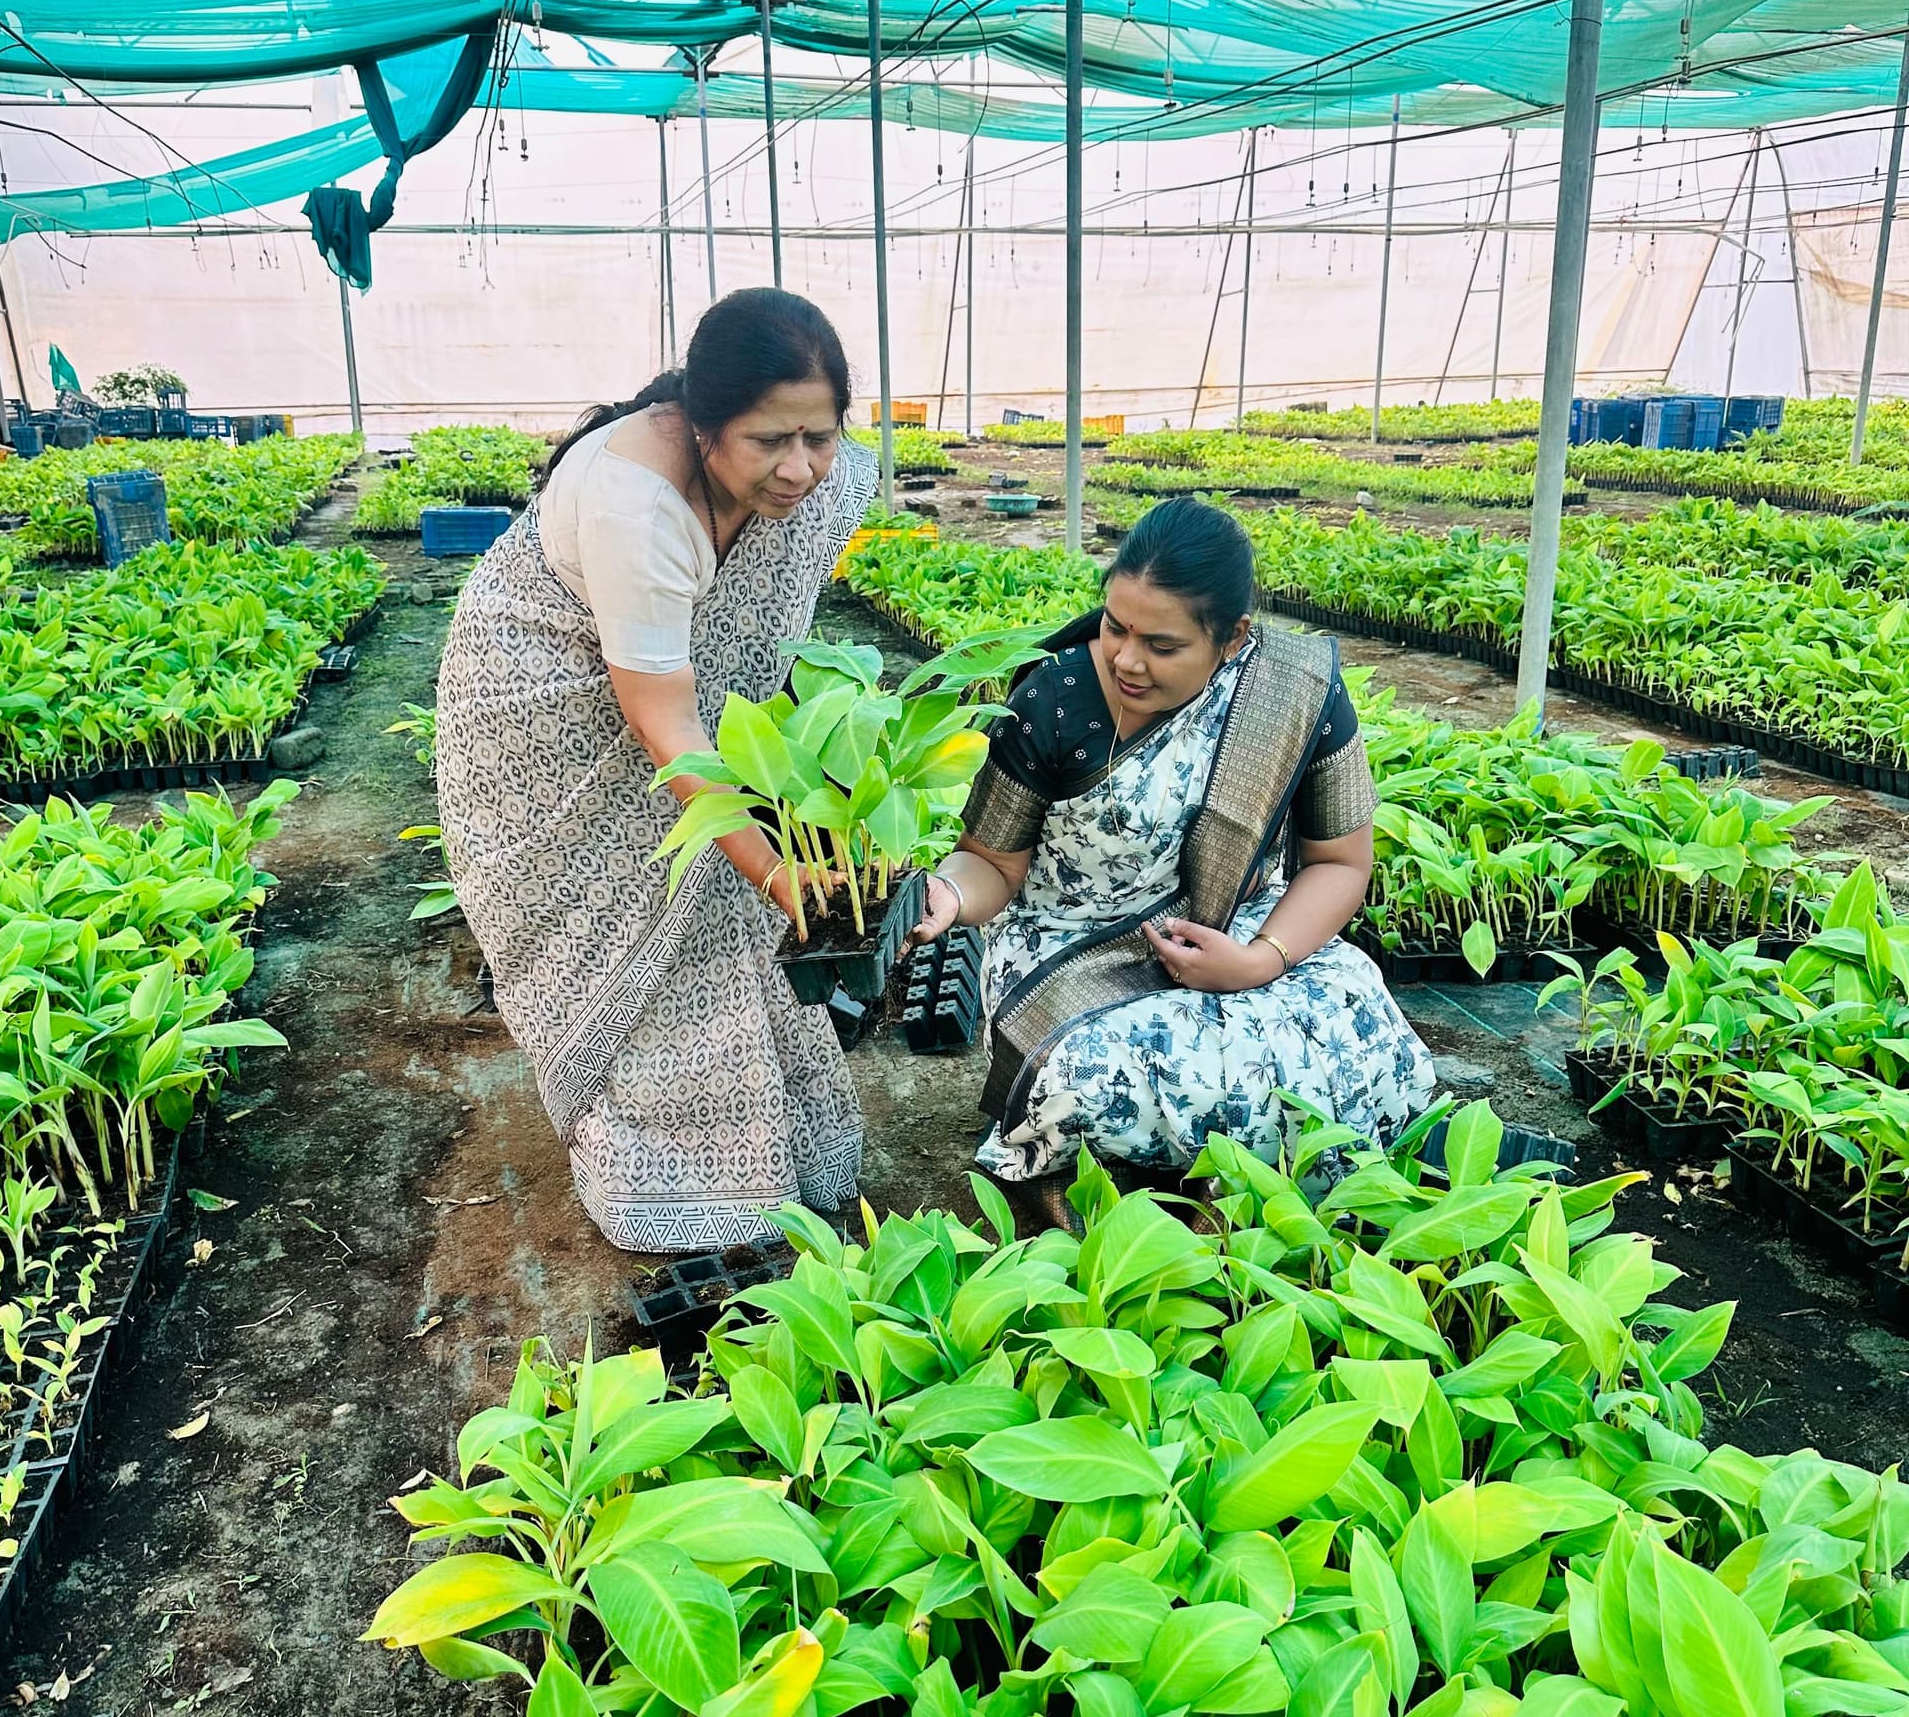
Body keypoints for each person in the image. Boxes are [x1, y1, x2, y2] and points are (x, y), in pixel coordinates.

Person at [434, 287, 875, 1252]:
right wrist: (778, 870)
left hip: (652, 684)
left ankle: (772, 1144)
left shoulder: (796, 475)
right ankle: (658, 1168)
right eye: (770, 441)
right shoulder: (638, 505)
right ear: (702, 425)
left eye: (821, 434)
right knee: (652, 907)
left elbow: (727, 666)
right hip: (542, 709)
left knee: (717, 906)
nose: (801, 468)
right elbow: (669, 729)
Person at [910, 496, 1435, 1208]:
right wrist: (949, 896)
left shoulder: (1294, 688)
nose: (1127, 659)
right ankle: (1163, 1179)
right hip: (1069, 947)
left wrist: (1256, 961)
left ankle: (1217, 1184)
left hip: (1240, 928)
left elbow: (1340, 862)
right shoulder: (1055, 699)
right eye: (1115, 627)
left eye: (1162, 646)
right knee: (1087, 1077)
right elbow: (993, 863)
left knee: (1352, 1022)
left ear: (1232, 638)